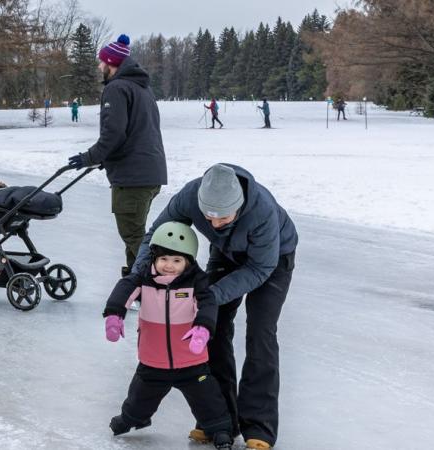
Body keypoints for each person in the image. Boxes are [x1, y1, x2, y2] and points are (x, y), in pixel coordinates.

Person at [132, 164, 298, 450]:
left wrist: (209, 294)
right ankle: (219, 420)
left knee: (261, 334)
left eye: (223, 217)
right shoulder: (189, 195)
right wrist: (139, 279)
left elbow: (260, 268)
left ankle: (259, 426)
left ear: (239, 206)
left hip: (273, 260)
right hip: (226, 252)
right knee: (213, 327)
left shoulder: (262, 211)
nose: (214, 223)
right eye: (208, 217)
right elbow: (155, 237)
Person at [103, 221, 234, 450]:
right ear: (154, 258)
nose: (169, 266)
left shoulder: (196, 282)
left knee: (208, 400)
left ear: (188, 261)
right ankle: (132, 419)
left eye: (177, 260)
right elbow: (124, 289)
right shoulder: (143, 278)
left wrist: (203, 328)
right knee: (138, 399)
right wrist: (114, 316)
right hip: (153, 361)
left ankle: (221, 429)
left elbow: (208, 304)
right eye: (163, 259)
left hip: (191, 360)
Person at [67, 34, 167, 278]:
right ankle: (137, 284)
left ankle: (165, 281)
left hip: (133, 179)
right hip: (149, 173)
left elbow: (113, 135)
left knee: (134, 236)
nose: (100, 67)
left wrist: (88, 157)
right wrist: (105, 159)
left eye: (102, 62)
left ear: (112, 64)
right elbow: (134, 133)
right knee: (136, 233)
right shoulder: (142, 87)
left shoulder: (116, 88)